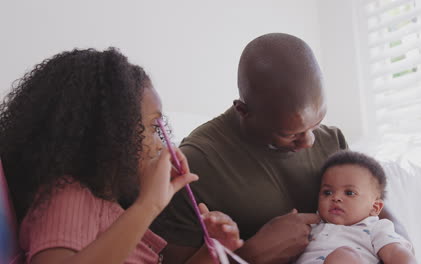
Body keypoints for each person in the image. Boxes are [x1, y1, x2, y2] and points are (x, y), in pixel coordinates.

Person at [151, 33, 408, 264]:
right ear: (244, 111)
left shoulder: (331, 141)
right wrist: (251, 253)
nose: (309, 141)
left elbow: (377, 214)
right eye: (291, 134)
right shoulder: (195, 164)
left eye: (316, 123)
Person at [0, 48, 244, 264]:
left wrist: (212, 251)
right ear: (109, 133)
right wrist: (149, 204)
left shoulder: (111, 207)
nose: (162, 145)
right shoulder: (69, 197)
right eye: (153, 127)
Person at [295, 150, 416, 264]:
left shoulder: (375, 228)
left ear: (375, 207)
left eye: (349, 193)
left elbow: (395, 252)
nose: (336, 197)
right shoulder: (310, 226)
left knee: (343, 257)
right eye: (327, 192)